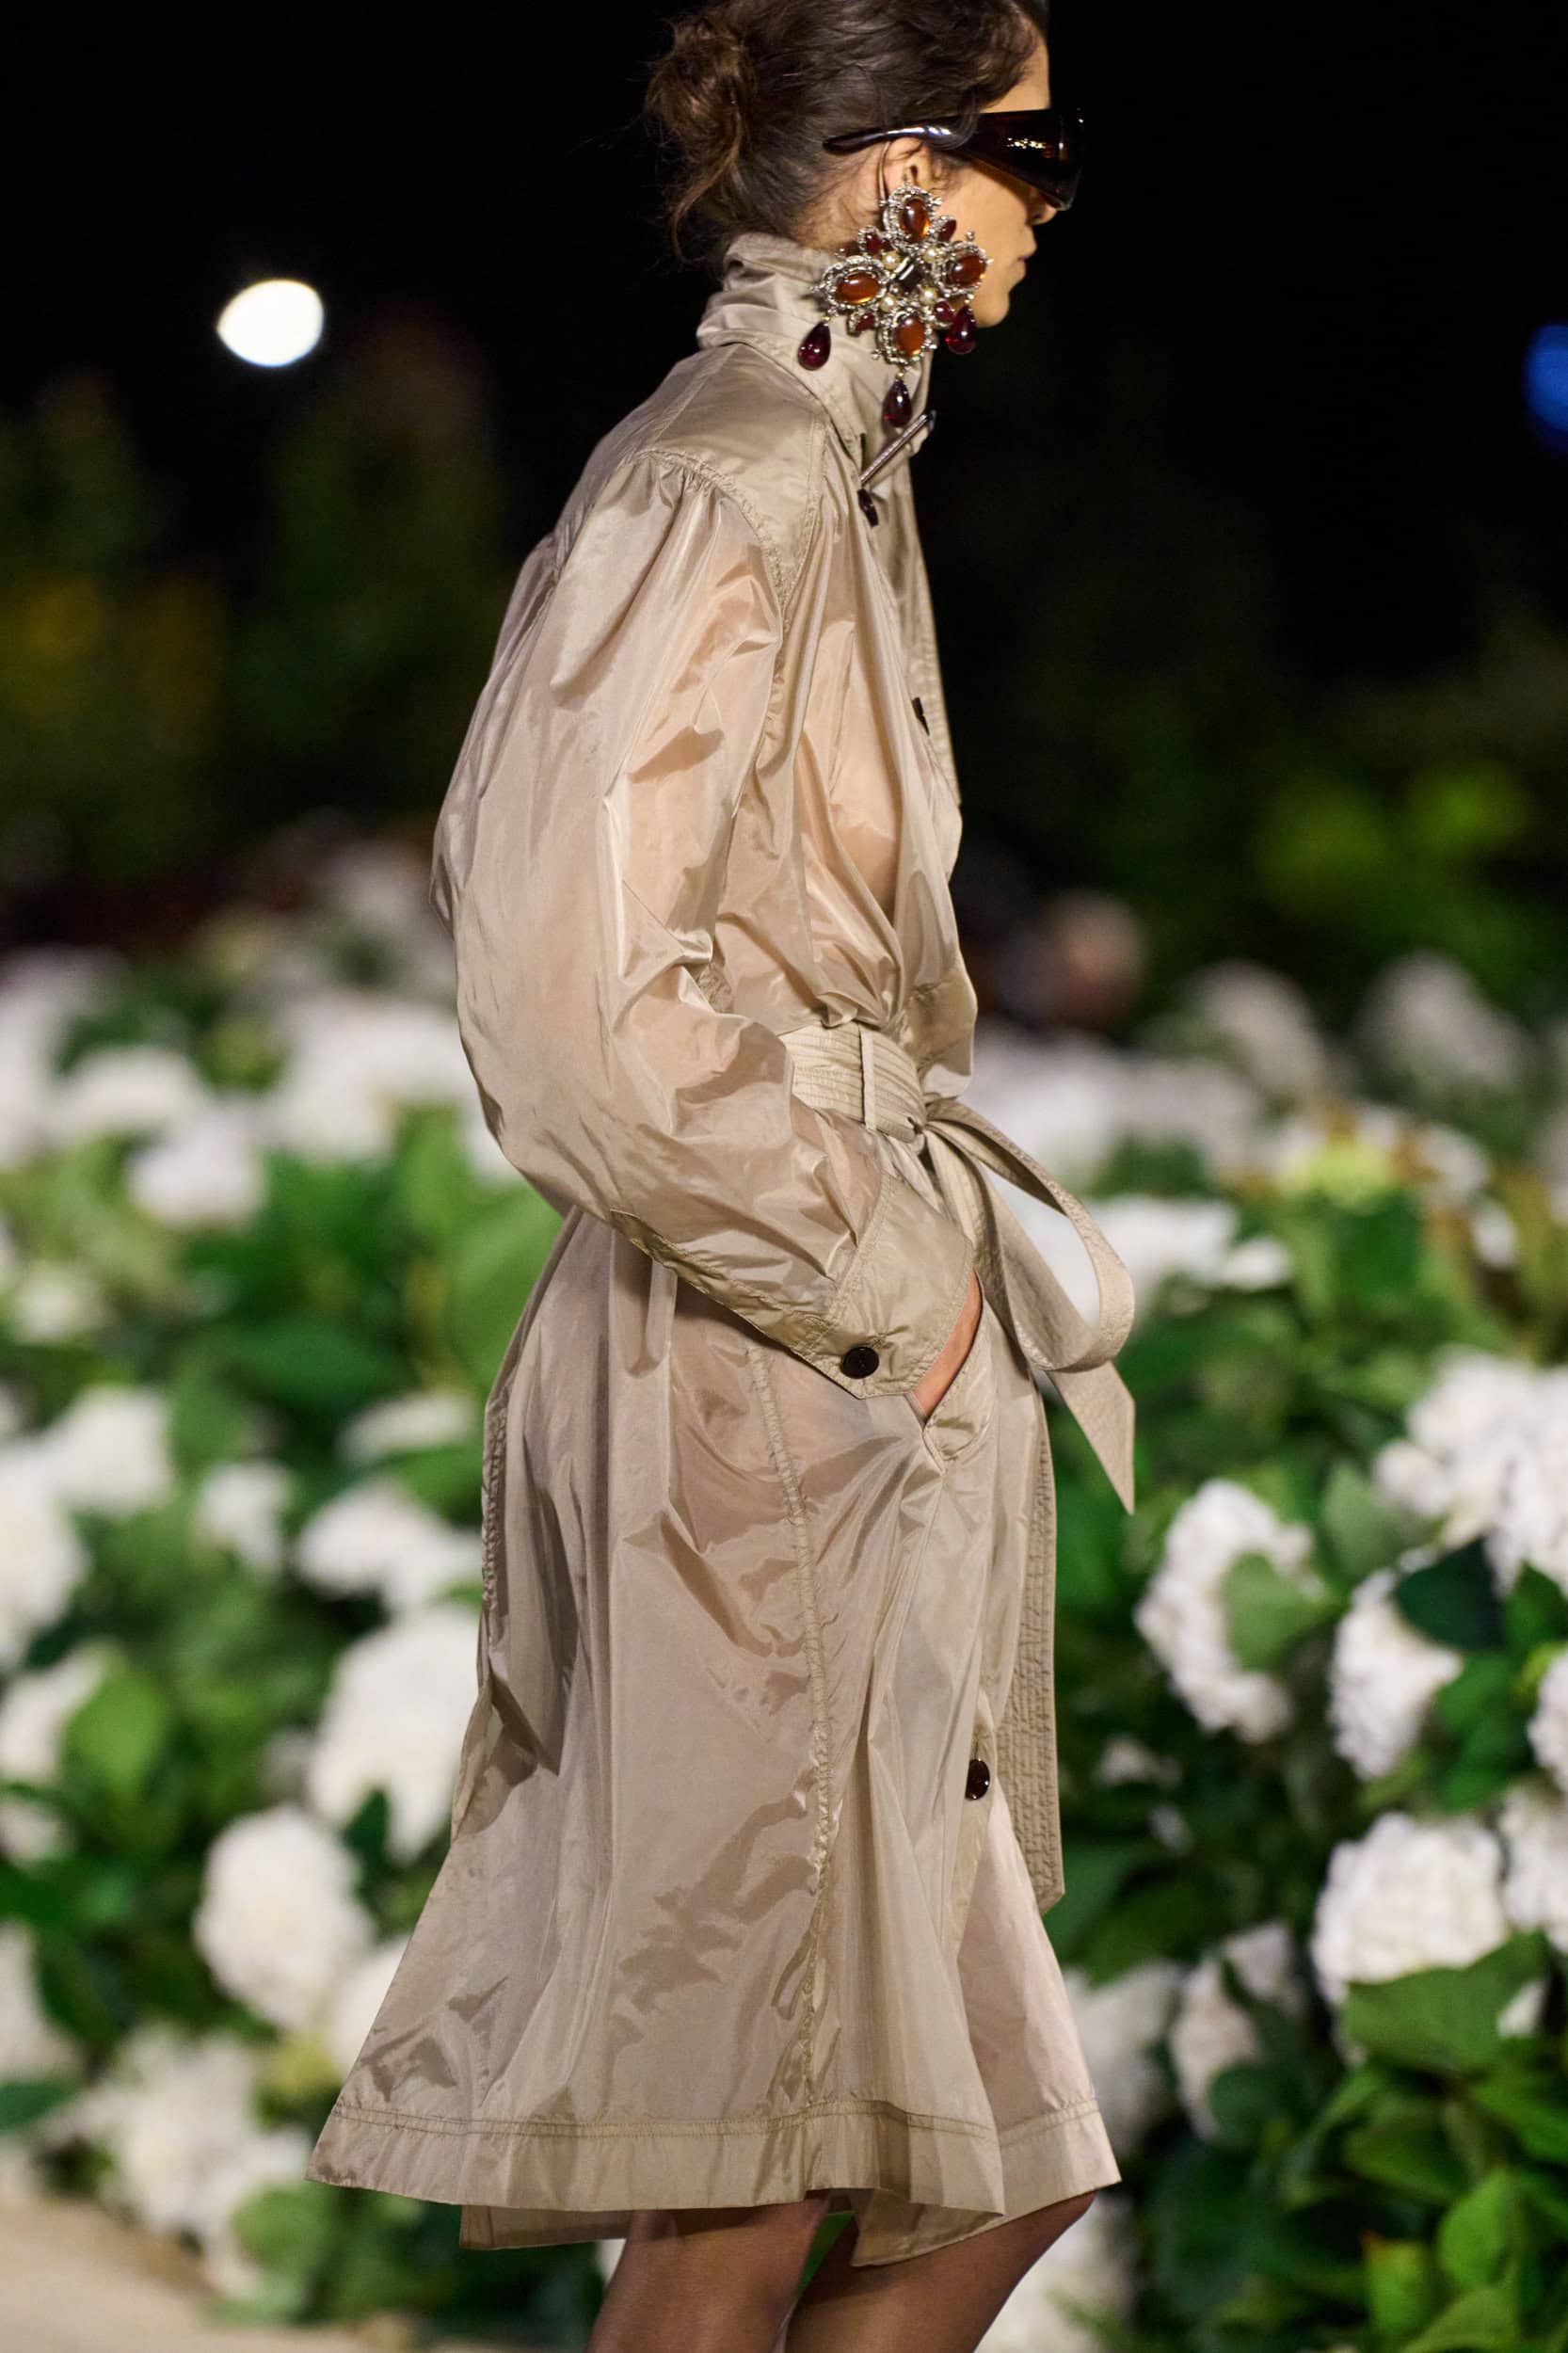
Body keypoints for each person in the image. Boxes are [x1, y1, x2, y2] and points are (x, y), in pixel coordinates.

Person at [306, 3, 1139, 2346]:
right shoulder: (733, 472)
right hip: (763, 1366)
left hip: (806, 1360)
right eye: (1028, 145)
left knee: (948, 2151)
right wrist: (900, 1285)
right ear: (892, 171)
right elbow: (569, 996)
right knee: (747, 2168)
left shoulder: (822, 457)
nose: (1046, 202)